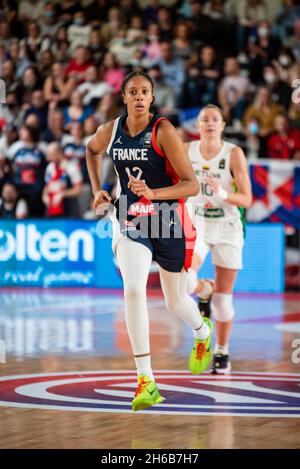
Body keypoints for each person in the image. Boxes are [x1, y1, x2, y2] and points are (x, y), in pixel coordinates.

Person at [86, 71, 213, 412]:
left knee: (175, 301)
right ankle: (146, 380)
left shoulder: (164, 130)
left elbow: (191, 185)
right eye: (133, 91)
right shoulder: (109, 131)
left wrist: (153, 193)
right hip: (129, 218)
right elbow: (90, 150)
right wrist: (97, 188)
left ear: (152, 97)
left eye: (145, 91)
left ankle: (202, 331)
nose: (140, 96)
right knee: (133, 289)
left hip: (169, 220)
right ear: (123, 97)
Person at [186, 104, 252, 374]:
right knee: (185, 280)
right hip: (198, 223)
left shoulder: (233, 154)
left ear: (223, 126)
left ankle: (222, 351)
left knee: (223, 301)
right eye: (205, 119)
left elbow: (247, 199)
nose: (210, 123)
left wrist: (221, 194)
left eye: (215, 119)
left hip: (227, 225)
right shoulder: (187, 150)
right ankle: (205, 290)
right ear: (198, 126)